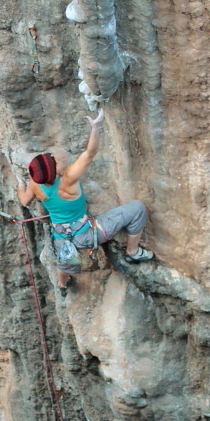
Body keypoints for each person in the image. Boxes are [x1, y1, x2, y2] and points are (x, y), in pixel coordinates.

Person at [16, 109, 154, 293]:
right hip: (89, 233)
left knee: (63, 261)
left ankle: (63, 285)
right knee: (138, 208)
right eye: (53, 161)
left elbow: (24, 201)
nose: (56, 160)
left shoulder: (35, 184)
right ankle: (132, 252)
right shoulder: (67, 180)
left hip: (61, 236)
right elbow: (89, 154)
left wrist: (20, 185)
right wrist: (95, 128)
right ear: (53, 168)